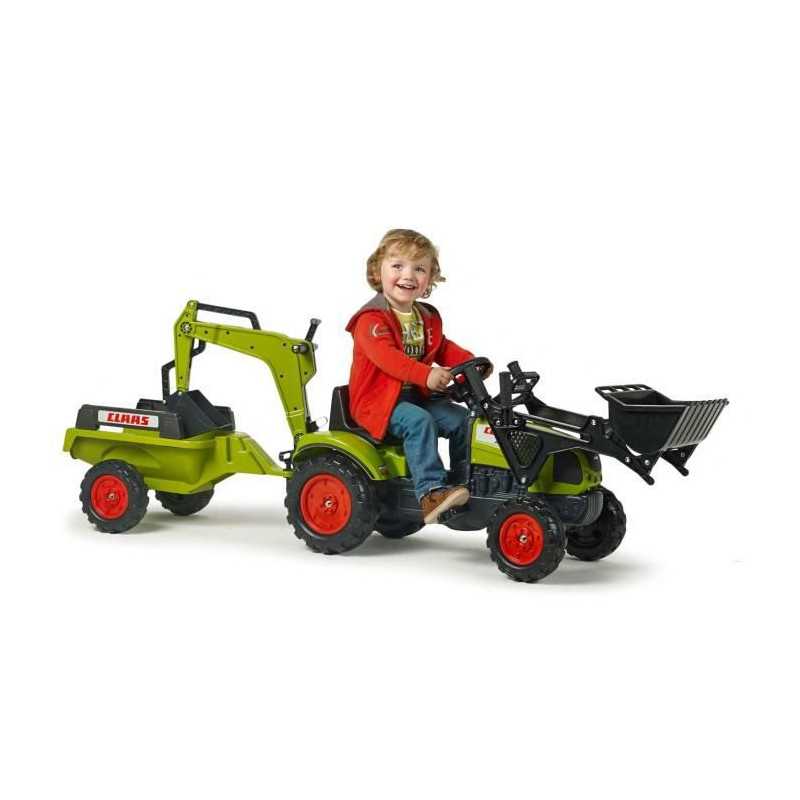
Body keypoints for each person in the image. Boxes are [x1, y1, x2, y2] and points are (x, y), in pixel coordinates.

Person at [345, 229, 490, 524]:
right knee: (419, 422)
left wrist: (470, 364)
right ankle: (430, 492)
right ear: (377, 270)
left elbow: (442, 347)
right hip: (379, 402)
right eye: (397, 265)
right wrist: (426, 374)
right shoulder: (370, 320)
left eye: (419, 269)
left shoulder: (425, 317)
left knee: (463, 420)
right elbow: (388, 358)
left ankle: (463, 481)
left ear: (430, 278)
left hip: (415, 396)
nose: (408, 275)